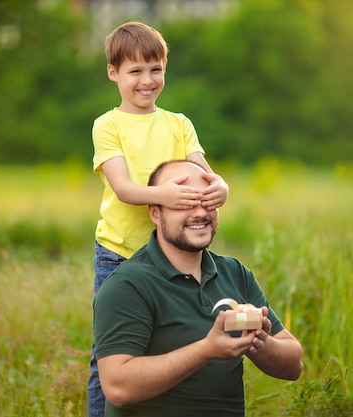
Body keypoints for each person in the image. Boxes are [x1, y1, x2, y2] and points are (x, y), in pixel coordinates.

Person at [89, 22, 229, 417]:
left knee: (172, 343)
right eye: (135, 71)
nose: (147, 81)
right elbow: (124, 189)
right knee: (112, 355)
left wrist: (220, 187)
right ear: (113, 73)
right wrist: (166, 196)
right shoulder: (109, 125)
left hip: (172, 257)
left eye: (156, 70)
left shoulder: (178, 124)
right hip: (120, 254)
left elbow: (206, 173)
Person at [93, 160, 304, 417]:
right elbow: (117, 386)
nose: (200, 213)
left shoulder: (235, 273)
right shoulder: (128, 284)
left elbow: (294, 365)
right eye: (184, 202)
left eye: (208, 201)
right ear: (155, 213)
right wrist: (206, 350)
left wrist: (261, 343)